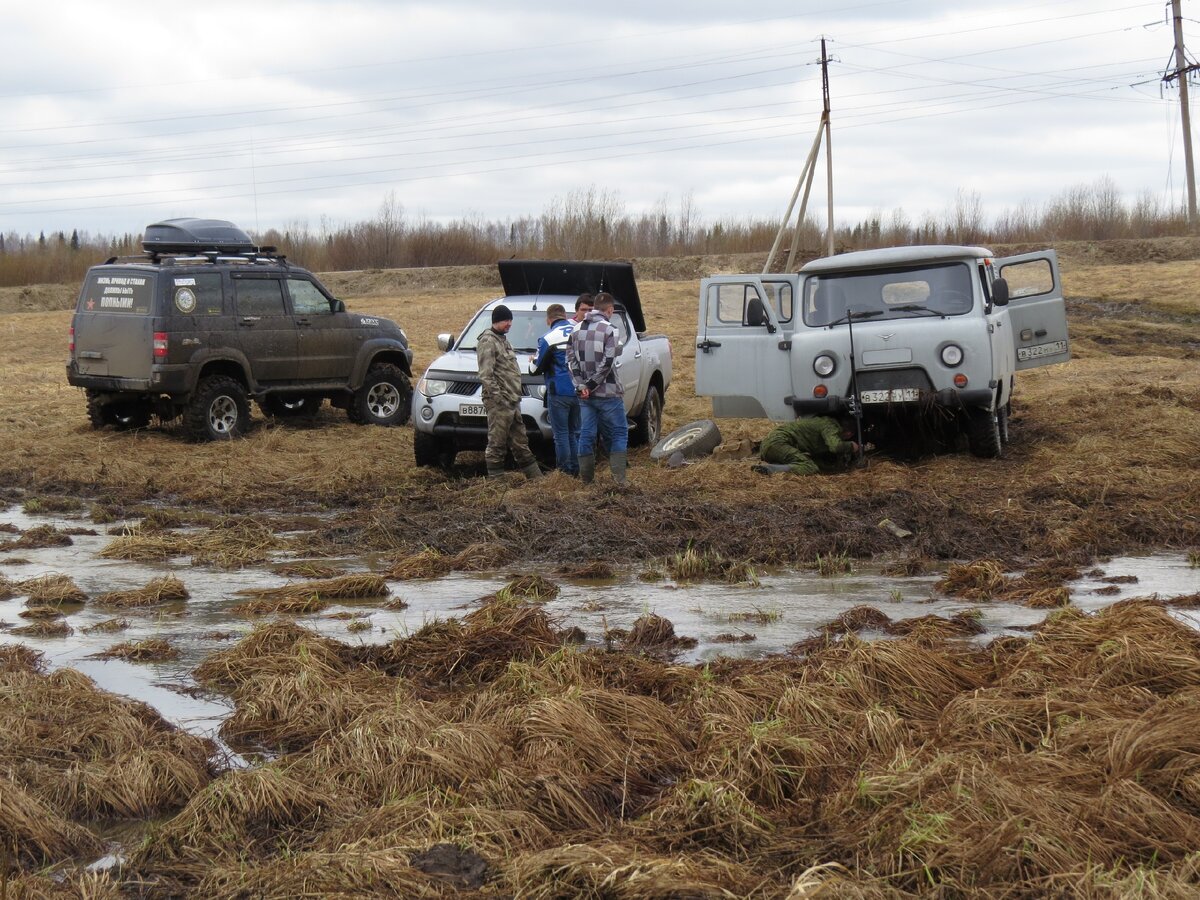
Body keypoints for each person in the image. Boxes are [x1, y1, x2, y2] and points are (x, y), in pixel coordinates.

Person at [568, 292, 628, 485]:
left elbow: (570, 361)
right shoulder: (610, 330)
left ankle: (586, 481)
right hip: (608, 392)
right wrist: (591, 385)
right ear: (610, 310)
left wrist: (581, 385)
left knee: (586, 434)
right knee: (619, 432)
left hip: (585, 396)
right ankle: (619, 480)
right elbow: (607, 363)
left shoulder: (576, 329)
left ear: (594, 307)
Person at [477, 304, 541, 481]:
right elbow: (486, 375)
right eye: (506, 320)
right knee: (497, 443)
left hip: (512, 400)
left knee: (521, 442)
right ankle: (496, 483)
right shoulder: (488, 341)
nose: (509, 324)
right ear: (496, 320)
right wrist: (498, 398)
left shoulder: (504, 341)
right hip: (500, 402)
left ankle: (537, 481)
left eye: (510, 320)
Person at [533, 303, 580, 475]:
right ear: (565, 316)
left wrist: (532, 361)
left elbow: (535, 369)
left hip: (559, 391)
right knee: (575, 433)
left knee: (561, 435)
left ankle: (565, 472)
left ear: (549, 320)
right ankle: (577, 470)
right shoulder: (580, 332)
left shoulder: (548, 338)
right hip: (580, 389)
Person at [754, 415, 860, 475]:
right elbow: (835, 446)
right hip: (778, 444)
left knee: (805, 461)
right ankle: (770, 469)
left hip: (769, 445)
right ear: (849, 434)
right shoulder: (830, 426)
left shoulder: (822, 422)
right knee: (809, 466)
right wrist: (851, 446)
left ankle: (777, 466)